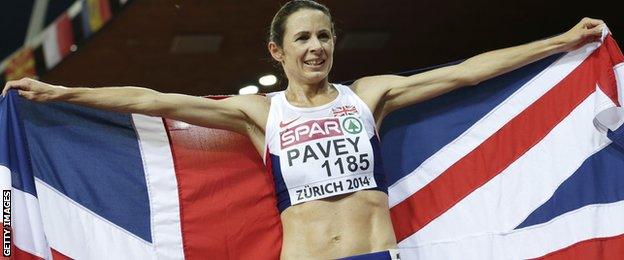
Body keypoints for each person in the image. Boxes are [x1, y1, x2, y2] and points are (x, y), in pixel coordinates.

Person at [1, 0, 608, 259]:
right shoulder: (261, 115)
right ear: (278, 51)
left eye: (324, 36)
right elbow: (153, 99)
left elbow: (465, 73)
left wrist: (562, 40)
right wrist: (58, 91)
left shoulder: (369, 95)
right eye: (303, 39)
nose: (316, 47)